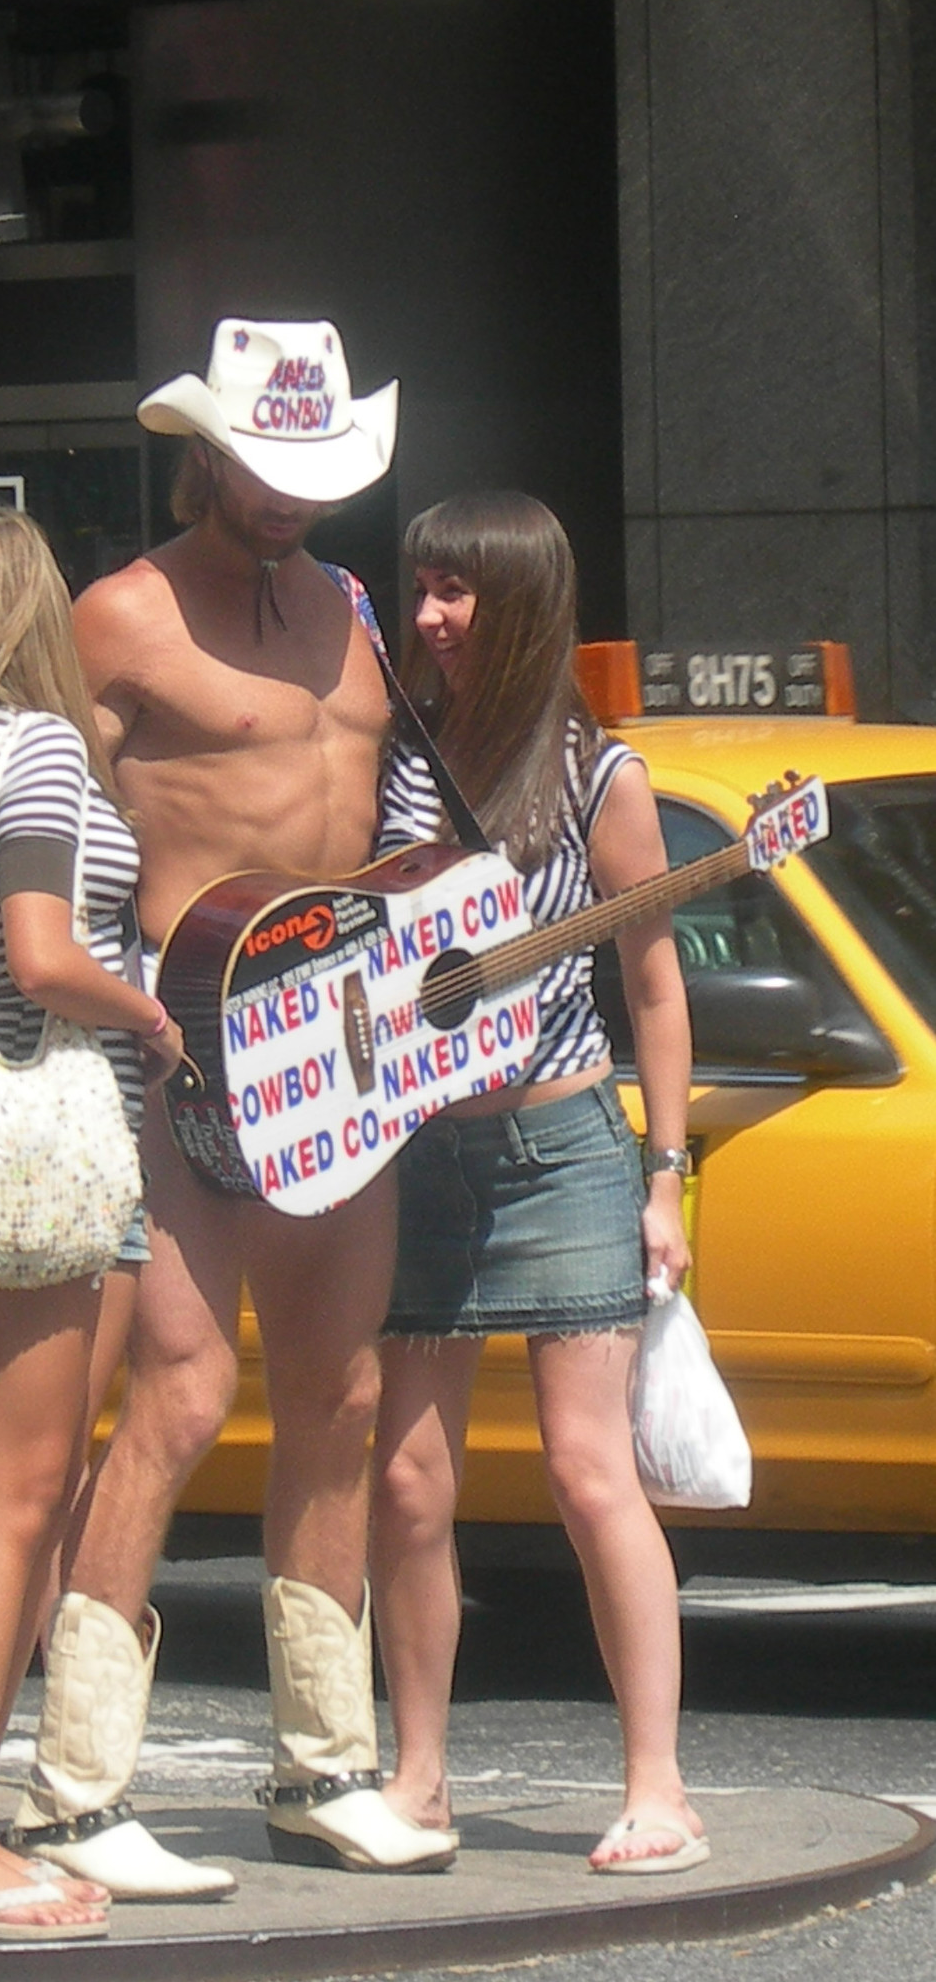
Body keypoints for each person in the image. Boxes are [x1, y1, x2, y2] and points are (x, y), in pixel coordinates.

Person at [5, 317, 456, 1892]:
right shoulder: (120, 615)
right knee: (182, 1400)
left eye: (313, 474)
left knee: (336, 1398)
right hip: (186, 1039)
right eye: (266, 471)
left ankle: (320, 1766)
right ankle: (72, 1787)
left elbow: (394, 797)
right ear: (205, 453)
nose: (290, 499)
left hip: (345, 1040)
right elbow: (31, 806)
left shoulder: (345, 602)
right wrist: (91, 991)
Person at [368, 491, 706, 1874]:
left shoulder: (596, 773)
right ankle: (418, 1779)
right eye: (424, 589)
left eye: (460, 592)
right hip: (419, 1148)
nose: (434, 617)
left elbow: (653, 983)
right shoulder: (397, 754)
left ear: (522, 605)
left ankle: (658, 1786)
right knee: (405, 1483)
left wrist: (665, 1177)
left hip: (561, 1146)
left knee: (587, 1469)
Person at [0, 505, 180, 1940]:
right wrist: (150, 1012)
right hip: (55, 1135)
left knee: (16, 1491)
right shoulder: (46, 749)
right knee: (13, 1499)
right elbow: (40, 958)